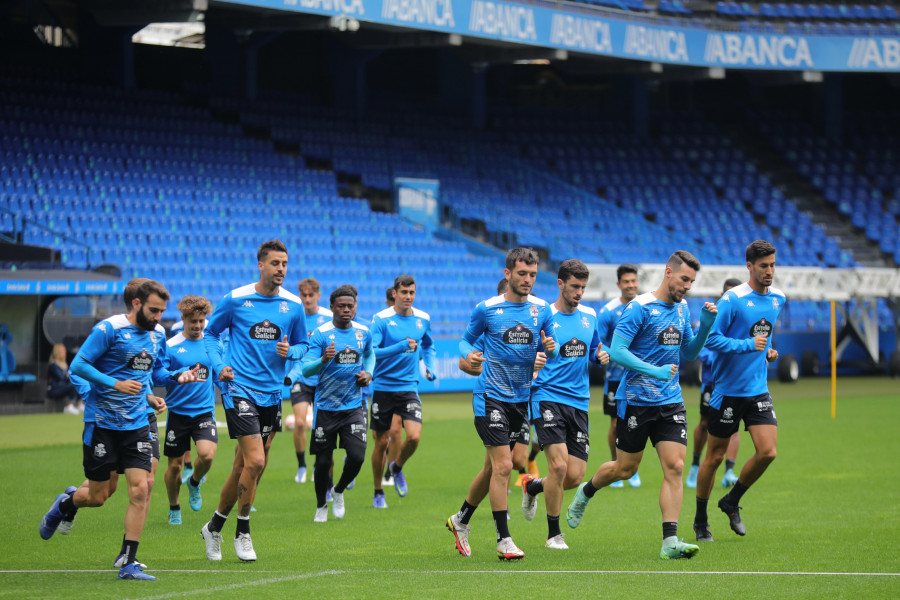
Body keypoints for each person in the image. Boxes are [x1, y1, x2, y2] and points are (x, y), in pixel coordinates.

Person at [39, 279, 202, 580]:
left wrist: (178, 377)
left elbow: (158, 371)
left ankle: (128, 561)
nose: (158, 317)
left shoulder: (159, 334)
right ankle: (66, 503)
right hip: (102, 423)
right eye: (154, 310)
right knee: (100, 494)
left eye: (162, 311)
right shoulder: (109, 330)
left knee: (142, 488)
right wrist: (115, 384)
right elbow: (78, 366)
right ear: (136, 304)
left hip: (138, 422)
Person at [566, 250, 717, 560]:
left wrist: (705, 327)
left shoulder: (681, 308)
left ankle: (670, 541)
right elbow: (618, 352)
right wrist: (654, 370)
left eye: (691, 281)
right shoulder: (639, 308)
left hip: (670, 401)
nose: (687, 286)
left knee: (675, 467)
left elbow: (688, 353)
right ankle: (587, 491)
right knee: (625, 468)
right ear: (668, 273)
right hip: (636, 400)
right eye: (684, 279)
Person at [200, 240, 309, 562]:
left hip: (272, 394)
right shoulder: (236, 300)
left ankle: (214, 526)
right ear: (260, 265)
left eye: (285, 264)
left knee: (244, 467)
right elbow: (210, 334)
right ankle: (242, 531)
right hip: (239, 389)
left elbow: (304, 346)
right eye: (275, 263)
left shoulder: (293, 306)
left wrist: (293, 353)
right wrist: (219, 367)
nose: (281, 270)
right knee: (257, 462)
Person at [446, 247, 558, 560]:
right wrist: (468, 355)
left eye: (533, 274)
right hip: (489, 396)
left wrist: (550, 347)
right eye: (522, 273)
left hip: (521, 399)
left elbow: (553, 349)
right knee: (504, 467)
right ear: (507, 274)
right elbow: (465, 340)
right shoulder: (487, 309)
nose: (528, 280)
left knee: (500, 465)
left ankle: (462, 519)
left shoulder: (542, 310)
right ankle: (503, 540)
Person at [693, 240, 784, 542]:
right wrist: (748, 346)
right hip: (727, 392)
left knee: (768, 452)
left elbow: (763, 335)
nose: (769, 271)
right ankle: (700, 518)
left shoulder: (777, 299)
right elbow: (709, 340)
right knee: (714, 458)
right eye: (763, 266)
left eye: (772, 265)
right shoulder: (732, 300)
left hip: (758, 390)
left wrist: (769, 351)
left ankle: (731, 500)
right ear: (749, 266)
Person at [520, 259, 609, 550]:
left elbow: (595, 348)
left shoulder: (589, 315)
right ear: (560, 284)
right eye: (574, 286)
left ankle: (533, 486)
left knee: (573, 476)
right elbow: (525, 352)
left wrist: (601, 355)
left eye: (583, 287)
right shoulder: (543, 316)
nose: (579, 292)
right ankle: (553, 534)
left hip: (579, 401)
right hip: (547, 396)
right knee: (558, 467)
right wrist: (532, 360)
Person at [301, 284, 375, 522]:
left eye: (350, 306)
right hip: (325, 408)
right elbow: (306, 368)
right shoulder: (321, 334)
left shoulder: (364, 332)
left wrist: (369, 374)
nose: (346, 310)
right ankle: (321, 504)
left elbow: (370, 354)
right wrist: (323, 359)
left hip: (353, 406)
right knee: (322, 462)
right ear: (331, 307)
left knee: (358, 456)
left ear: (355, 308)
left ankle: (339, 490)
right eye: (341, 306)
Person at [368, 275, 436, 508]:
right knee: (381, 442)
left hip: (409, 387)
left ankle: (396, 467)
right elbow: (372, 353)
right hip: (383, 388)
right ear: (394, 293)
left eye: (412, 293)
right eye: (404, 292)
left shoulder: (423, 319)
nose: (408, 297)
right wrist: (399, 347)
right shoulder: (381, 319)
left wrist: (430, 367)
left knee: (414, 437)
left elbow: (428, 345)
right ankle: (378, 490)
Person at [160, 295, 218, 525]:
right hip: (178, 414)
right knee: (173, 466)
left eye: (201, 321)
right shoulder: (171, 346)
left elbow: (218, 374)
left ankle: (194, 482)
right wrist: (178, 375)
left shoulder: (212, 344)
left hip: (204, 412)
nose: (197, 325)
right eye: (193, 321)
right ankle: (174, 507)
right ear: (183, 318)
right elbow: (159, 375)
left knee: (207, 455)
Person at [685, 279, 742, 489]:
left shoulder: (741, 320)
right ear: (721, 294)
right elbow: (701, 349)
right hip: (712, 382)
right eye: (728, 293)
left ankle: (729, 471)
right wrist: (726, 352)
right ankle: (695, 465)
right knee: (704, 423)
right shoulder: (710, 319)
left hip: (735, 383)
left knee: (734, 427)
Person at [596, 263, 641, 489]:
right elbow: (599, 344)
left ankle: (631, 468)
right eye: (626, 282)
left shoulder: (644, 307)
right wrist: (605, 355)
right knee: (615, 423)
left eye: (633, 281)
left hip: (639, 376)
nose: (631, 285)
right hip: (615, 377)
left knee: (635, 422)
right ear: (618, 284)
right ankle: (616, 464)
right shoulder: (608, 312)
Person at [285, 278, 333, 484]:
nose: (307, 299)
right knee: (299, 422)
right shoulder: (295, 317)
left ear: (318, 296)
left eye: (310, 295)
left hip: (322, 379)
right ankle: (302, 465)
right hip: (300, 378)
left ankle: (317, 465)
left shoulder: (329, 318)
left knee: (321, 427)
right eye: (303, 295)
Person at [47, 343, 82, 414]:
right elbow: (61, 377)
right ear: (57, 353)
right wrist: (68, 375)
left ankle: (79, 404)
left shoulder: (64, 364)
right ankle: (69, 406)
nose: (65, 353)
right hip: (54, 389)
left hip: (63, 387)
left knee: (78, 383)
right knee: (72, 385)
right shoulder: (53, 365)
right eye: (63, 351)